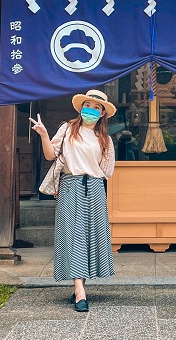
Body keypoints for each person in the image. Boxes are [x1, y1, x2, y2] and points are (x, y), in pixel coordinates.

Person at [29, 89, 116, 312]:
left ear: (103, 113)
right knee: (73, 237)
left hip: (95, 189)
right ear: (81, 107)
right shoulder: (67, 129)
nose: (91, 110)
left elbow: (107, 170)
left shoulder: (104, 139)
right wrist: (43, 135)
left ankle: (79, 287)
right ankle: (80, 291)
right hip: (71, 185)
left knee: (88, 238)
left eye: (97, 107)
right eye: (88, 105)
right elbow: (51, 155)